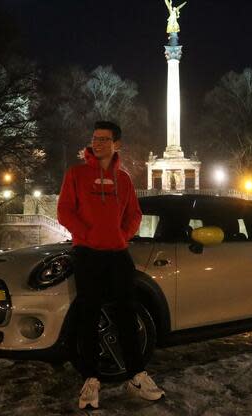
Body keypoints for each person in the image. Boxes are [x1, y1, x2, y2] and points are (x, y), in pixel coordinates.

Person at [57, 121, 165, 410]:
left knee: (127, 314)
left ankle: (135, 375)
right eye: (95, 138)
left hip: (118, 254)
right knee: (89, 315)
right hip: (88, 253)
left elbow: (135, 214)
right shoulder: (76, 174)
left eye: (105, 139)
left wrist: (121, 235)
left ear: (117, 144)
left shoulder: (125, 180)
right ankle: (91, 380)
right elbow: (64, 210)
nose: (99, 143)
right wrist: (88, 234)